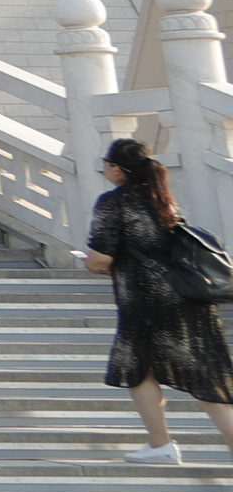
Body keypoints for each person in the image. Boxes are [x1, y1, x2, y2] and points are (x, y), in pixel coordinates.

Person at [86, 139, 233, 465]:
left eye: (105, 163)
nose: (104, 169)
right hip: (187, 295)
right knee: (206, 374)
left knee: (138, 368)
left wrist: (92, 263)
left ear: (116, 168)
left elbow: (99, 258)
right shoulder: (163, 199)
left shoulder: (113, 202)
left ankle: (160, 444)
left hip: (146, 300)